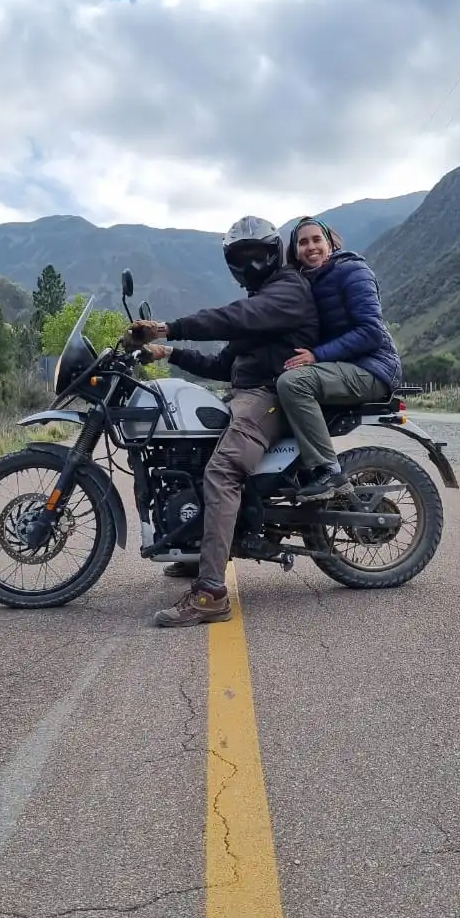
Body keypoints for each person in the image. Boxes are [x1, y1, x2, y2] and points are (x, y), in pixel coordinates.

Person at [128, 215, 319, 628]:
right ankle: (197, 547)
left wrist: (166, 328)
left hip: (272, 395)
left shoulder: (286, 291)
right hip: (250, 392)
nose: (251, 265)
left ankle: (212, 592)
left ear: (275, 253)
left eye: (259, 255)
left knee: (222, 471)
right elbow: (221, 364)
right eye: (242, 257)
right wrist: (170, 354)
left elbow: (234, 317)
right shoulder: (262, 302)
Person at [276, 216, 402, 501]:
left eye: (316, 239)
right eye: (303, 242)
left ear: (330, 243)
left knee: (293, 384)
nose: (311, 247)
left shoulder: (352, 270)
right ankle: (299, 472)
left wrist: (317, 355)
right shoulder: (308, 281)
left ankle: (328, 473)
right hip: (346, 365)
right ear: (295, 251)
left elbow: (371, 332)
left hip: (372, 367)